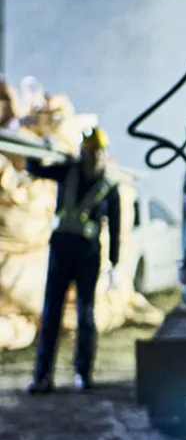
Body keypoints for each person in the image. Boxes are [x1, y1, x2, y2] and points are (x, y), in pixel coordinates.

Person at [27, 127, 121, 393]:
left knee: (86, 315)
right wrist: (40, 148)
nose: (95, 157)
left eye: (99, 152)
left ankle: (83, 372)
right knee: (51, 314)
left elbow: (114, 228)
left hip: (88, 254)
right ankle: (43, 376)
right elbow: (35, 169)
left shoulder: (108, 188)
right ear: (83, 152)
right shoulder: (67, 171)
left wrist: (114, 264)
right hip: (61, 250)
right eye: (91, 152)